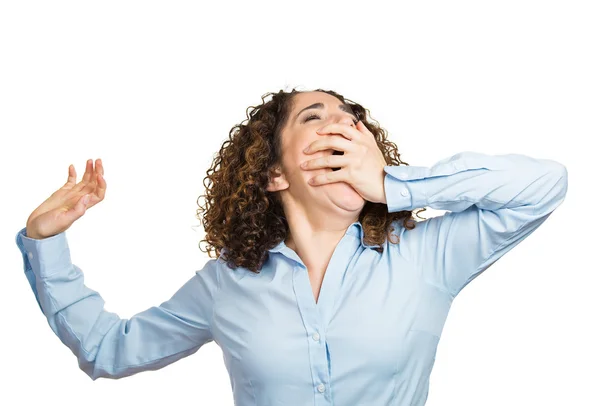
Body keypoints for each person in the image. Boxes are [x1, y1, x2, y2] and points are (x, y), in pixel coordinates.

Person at [15, 88, 568, 405]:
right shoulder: (228, 282)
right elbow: (111, 350)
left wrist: (396, 187)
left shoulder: (424, 254)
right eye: (316, 116)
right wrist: (47, 242)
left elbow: (543, 185)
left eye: (353, 121)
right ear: (274, 173)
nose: (345, 125)